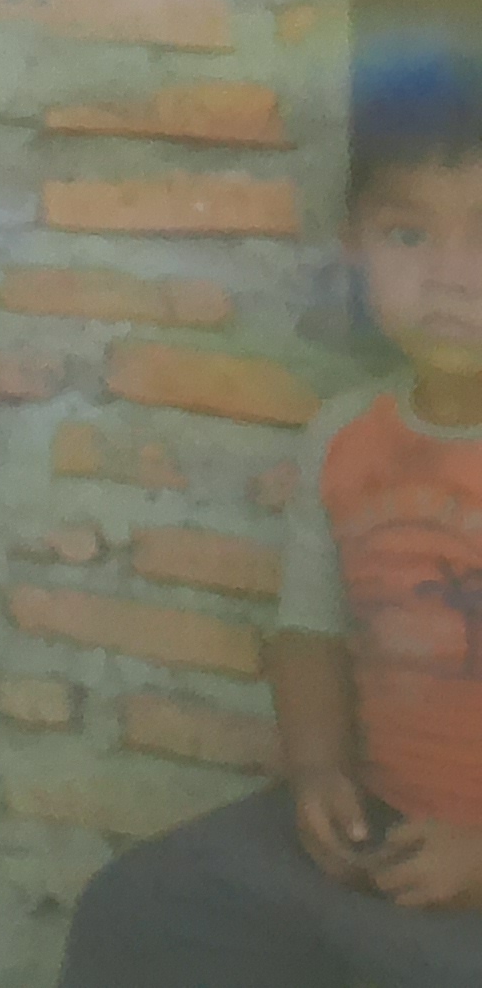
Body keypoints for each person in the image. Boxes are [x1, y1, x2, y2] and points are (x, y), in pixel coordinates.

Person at [60, 50, 482, 985]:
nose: (451, 278)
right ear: (354, 247)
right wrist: (319, 773)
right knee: (139, 909)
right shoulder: (345, 438)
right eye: (408, 235)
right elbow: (309, 631)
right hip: (385, 828)